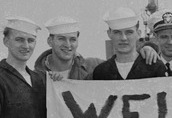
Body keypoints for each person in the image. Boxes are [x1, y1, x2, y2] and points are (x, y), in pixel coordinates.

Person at [34, 15, 162, 80]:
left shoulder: (93, 67)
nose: (68, 45)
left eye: (72, 39)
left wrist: (147, 48)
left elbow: (124, 59)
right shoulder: (37, 76)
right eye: (61, 38)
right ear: (50, 41)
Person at [91, 7, 166, 80]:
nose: (123, 38)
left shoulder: (154, 67)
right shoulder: (101, 72)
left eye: (129, 32)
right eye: (117, 32)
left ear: (138, 33)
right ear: (109, 34)